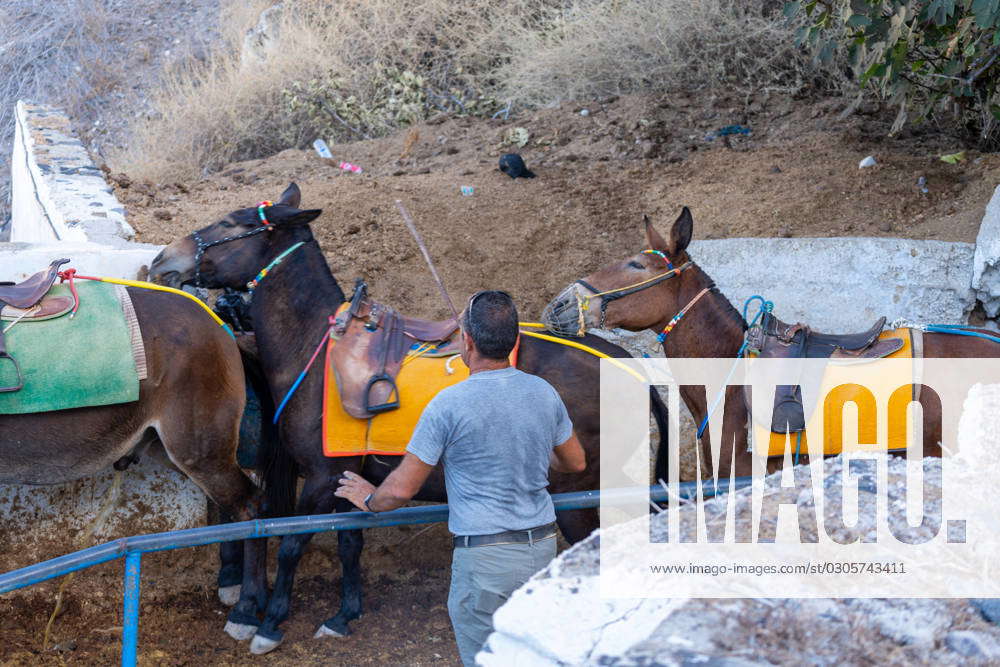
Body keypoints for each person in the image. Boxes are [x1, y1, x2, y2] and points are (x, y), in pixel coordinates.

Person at [335, 290, 586, 666]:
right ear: (513, 340)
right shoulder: (543, 393)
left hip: (485, 558)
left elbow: (401, 489)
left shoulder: (448, 404)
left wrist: (371, 499)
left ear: (466, 342)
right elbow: (575, 462)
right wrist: (530, 450)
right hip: (543, 547)